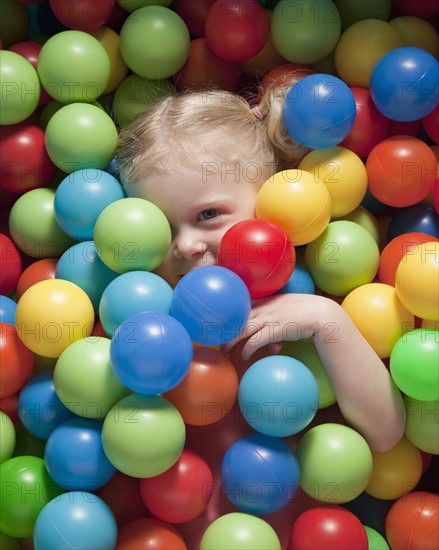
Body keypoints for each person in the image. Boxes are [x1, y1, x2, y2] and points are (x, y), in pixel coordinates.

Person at [116, 83, 405, 454]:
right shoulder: (145, 315)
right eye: (161, 228)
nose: (185, 245)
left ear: (271, 202)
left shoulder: (304, 305)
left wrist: (325, 319)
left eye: (208, 215)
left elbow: (385, 433)